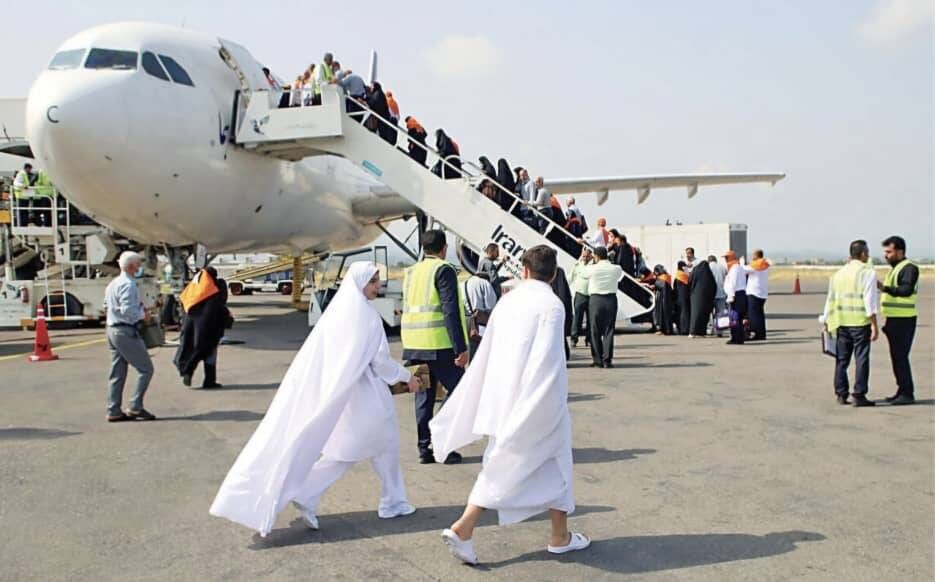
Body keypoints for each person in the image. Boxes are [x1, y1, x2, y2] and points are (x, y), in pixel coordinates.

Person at [210, 263, 422, 536]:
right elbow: (379, 362)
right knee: (369, 447)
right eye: (373, 282)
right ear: (359, 284)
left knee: (359, 449)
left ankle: (385, 500)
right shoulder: (367, 317)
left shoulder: (337, 315)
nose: (377, 286)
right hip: (366, 395)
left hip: (343, 395)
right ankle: (381, 501)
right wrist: (407, 377)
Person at [431, 245, 590, 565]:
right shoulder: (552, 305)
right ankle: (464, 528)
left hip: (502, 398)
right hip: (537, 401)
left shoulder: (508, 301)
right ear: (555, 273)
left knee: (542, 465)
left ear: (525, 270)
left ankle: (559, 536)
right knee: (512, 466)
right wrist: (542, 406)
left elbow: (489, 352)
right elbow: (547, 362)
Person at [401, 230, 469, 464]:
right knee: (460, 392)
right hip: (439, 345)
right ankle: (442, 444)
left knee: (423, 398)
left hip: (414, 344)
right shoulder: (443, 270)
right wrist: (460, 347)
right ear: (444, 248)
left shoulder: (411, 272)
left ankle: (424, 449)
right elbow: (450, 310)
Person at [820, 240, 880, 407]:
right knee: (861, 358)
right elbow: (870, 301)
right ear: (862, 254)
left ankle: (841, 393)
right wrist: (874, 324)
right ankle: (859, 394)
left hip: (841, 322)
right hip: (860, 322)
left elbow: (830, 299)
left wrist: (825, 319)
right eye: (867, 252)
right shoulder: (867, 272)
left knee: (841, 359)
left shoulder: (838, 274)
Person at [103, 251, 156, 422]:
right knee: (146, 369)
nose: (140, 267)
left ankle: (113, 409)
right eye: (138, 264)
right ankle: (135, 406)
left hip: (112, 329)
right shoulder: (129, 284)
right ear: (132, 266)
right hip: (125, 330)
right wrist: (143, 315)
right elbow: (129, 311)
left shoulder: (113, 284)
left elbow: (106, 306)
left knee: (117, 371)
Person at [879, 235, 919, 405]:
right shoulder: (895, 268)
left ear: (900, 251)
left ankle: (907, 393)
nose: (886, 255)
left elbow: (906, 290)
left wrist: (884, 288)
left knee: (901, 357)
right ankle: (901, 390)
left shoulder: (909, 268)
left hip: (903, 320)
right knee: (897, 357)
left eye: (889, 251)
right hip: (894, 319)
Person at [174, 267, 229, 389]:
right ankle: (208, 380)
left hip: (191, 326)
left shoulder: (194, 289)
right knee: (209, 352)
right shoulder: (216, 287)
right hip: (210, 326)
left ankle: (188, 371)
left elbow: (183, 305)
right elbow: (221, 303)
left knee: (194, 348)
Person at [580, 246, 623, 368]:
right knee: (609, 330)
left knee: (595, 330)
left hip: (596, 300)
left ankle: (597, 359)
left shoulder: (592, 268)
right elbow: (619, 275)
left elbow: (582, 273)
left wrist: (586, 261)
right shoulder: (616, 268)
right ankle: (607, 360)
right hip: (611, 299)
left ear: (596, 256)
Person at [463, 272, 497, 358]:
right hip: (479, 321)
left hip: (464, 320)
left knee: (469, 350)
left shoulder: (462, 283)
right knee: (481, 352)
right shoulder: (484, 283)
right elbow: (491, 304)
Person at [743, 249, 770, 340]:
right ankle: (762, 333)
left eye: (753, 255)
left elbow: (743, 270)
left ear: (756, 256)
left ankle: (757, 334)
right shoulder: (765, 264)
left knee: (753, 315)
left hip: (754, 293)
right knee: (760, 315)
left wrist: (741, 263)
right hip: (762, 293)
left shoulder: (756, 265)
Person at [723, 250, 748, 345]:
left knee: (735, 318)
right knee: (737, 318)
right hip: (739, 294)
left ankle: (736, 338)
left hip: (736, 295)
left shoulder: (734, 268)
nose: (725, 260)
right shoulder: (738, 267)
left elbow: (732, 283)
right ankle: (738, 338)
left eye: (726, 258)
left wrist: (731, 296)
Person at [569, 247, 592, 347]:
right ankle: (574, 338)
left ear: (591, 256)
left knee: (591, 320)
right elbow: (570, 277)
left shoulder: (594, 266)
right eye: (583, 256)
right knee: (577, 318)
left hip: (591, 295)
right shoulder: (577, 266)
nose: (585, 258)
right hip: (580, 294)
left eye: (587, 256)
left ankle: (589, 339)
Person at [550, 266, 574, 360]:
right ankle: (565, 354)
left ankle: (565, 354)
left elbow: (562, 289)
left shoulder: (557, 271)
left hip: (556, 304)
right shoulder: (558, 270)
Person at [688, 258, 716, 337]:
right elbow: (714, 286)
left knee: (695, 315)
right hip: (707, 299)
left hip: (695, 297)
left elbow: (690, 281)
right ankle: (701, 332)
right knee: (704, 315)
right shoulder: (709, 274)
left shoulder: (696, 271)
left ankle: (692, 332)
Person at [653, 265, 675, 335]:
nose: (655, 273)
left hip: (662, 300)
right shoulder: (666, 276)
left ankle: (663, 330)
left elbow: (660, 285)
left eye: (656, 271)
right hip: (667, 300)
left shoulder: (662, 278)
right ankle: (667, 330)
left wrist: (655, 284)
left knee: (662, 315)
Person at [708, 255, 728, 336]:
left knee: (710, 313)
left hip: (711, 294)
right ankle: (720, 330)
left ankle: (711, 329)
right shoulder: (722, 267)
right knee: (720, 313)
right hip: (722, 293)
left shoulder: (708, 267)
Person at [673, 261, 691, 335]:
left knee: (681, 313)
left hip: (679, 298)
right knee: (685, 313)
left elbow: (675, 287)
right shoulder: (684, 275)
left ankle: (681, 329)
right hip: (685, 297)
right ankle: (685, 329)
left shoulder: (677, 275)